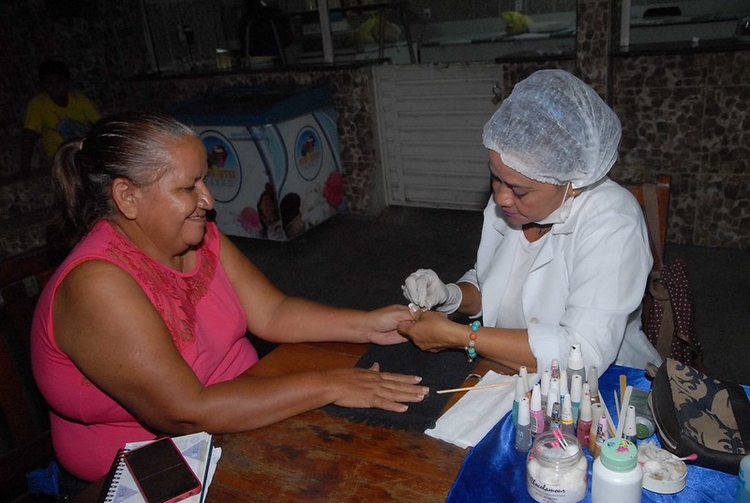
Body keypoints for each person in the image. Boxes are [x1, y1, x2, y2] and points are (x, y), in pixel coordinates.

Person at [30, 112, 428, 485]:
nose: (209, 200)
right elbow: (186, 412)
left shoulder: (193, 236)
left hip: (243, 411)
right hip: (148, 467)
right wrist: (330, 385)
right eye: (188, 187)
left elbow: (272, 312)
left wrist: (367, 325)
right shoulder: (97, 286)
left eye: (203, 180)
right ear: (127, 197)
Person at [399, 69, 662, 377]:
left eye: (519, 190)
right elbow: (493, 282)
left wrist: (462, 337)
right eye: (495, 178)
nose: (501, 198)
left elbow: (583, 352)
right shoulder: (514, 201)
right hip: (514, 369)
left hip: (604, 385)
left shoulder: (613, 222)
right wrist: (450, 295)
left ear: (572, 182)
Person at [21, 60, 101, 172]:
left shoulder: (80, 100)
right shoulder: (38, 104)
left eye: (60, 81)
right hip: (59, 155)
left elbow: (100, 124)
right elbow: (29, 134)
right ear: (43, 85)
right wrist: (25, 167)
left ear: (67, 82)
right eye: (50, 83)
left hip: (84, 150)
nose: (56, 86)